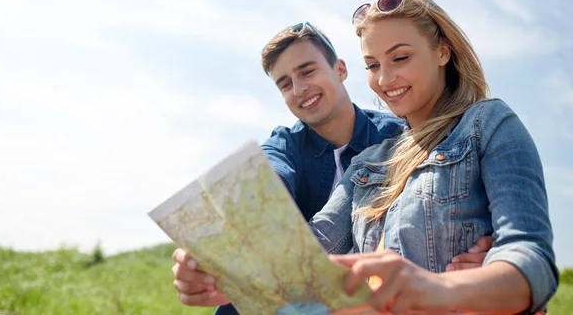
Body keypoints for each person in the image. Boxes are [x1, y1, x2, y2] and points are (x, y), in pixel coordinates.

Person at [172, 19, 494, 314]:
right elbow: (269, 179)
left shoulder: (399, 137)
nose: (299, 89)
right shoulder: (284, 144)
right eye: (285, 84)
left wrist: (485, 255)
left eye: (307, 71)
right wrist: (210, 252)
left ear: (340, 69)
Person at [308, 0, 557, 314]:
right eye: (372, 65)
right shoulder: (367, 163)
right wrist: (227, 271)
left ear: (442, 52)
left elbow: (531, 259)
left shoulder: (487, 125)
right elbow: (311, 245)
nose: (384, 78)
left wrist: (438, 287)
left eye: (400, 58)